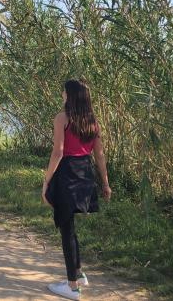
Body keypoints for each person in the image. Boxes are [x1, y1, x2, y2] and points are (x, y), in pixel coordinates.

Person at [42, 79, 111, 301]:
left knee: (66, 227)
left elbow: (58, 152)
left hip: (67, 173)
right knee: (69, 226)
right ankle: (79, 274)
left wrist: (46, 180)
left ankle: (72, 286)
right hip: (85, 172)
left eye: (64, 90)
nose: (61, 93)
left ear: (70, 95)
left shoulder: (62, 118)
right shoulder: (92, 121)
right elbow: (99, 155)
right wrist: (106, 183)